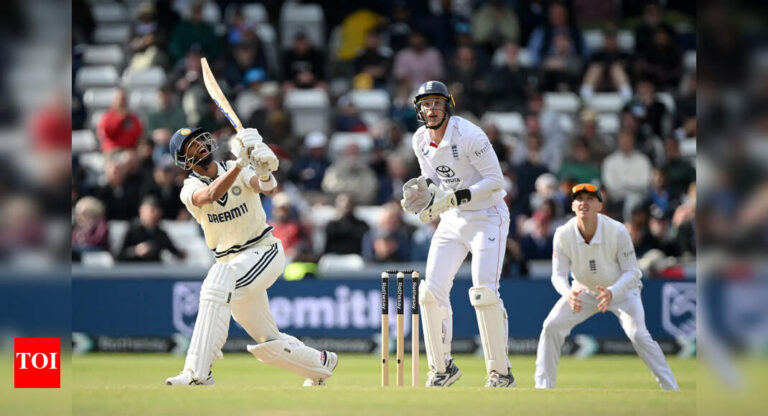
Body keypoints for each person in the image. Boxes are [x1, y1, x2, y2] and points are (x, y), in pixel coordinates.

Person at [164, 126, 338, 386]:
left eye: (200, 140)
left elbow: (268, 188)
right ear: (183, 159)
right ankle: (320, 363)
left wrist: (263, 171)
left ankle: (197, 373)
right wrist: (241, 163)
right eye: (192, 145)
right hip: (231, 262)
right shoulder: (189, 188)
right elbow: (211, 195)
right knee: (268, 342)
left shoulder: (237, 168)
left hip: (263, 250)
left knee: (217, 281)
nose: (200, 145)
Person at [400, 80, 515, 387]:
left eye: (437, 103)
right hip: (453, 218)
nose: (431, 109)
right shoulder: (419, 139)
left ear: (447, 106)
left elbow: (496, 182)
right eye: (426, 104)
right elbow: (431, 177)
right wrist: (423, 193)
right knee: (429, 292)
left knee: (484, 293)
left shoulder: (470, 135)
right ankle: (442, 368)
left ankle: (501, 373)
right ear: (419, 110)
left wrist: (453, 198)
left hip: (487, 216)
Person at [534, 183, 678, 390]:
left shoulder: (617, 231)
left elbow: (633, 272)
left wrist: (612, 291)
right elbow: (557, 275)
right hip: (583, 291)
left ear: (599, 206)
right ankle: (543, 387)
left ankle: (670, 388)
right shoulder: (562, 234)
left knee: (638, 334)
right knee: (551, 326)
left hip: (622, 291)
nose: (584, 203)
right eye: (579, 199)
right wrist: (568, 293)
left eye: (590, 199)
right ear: (572, 206)